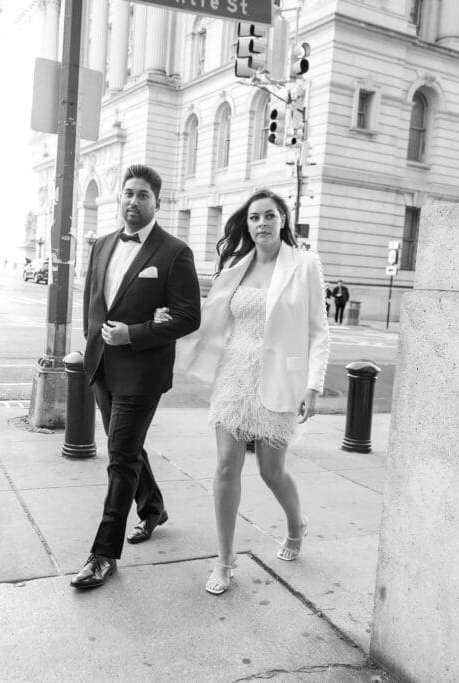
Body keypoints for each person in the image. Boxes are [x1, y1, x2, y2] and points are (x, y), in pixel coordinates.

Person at [162, 188, 330, 596]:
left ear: (283, 220)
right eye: (254, 217)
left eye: (269, 215)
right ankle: (224, 560)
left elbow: (318, 330)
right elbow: (211, 317)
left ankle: (296, 525)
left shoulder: (305, 264)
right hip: (234, 377)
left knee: (271, 471)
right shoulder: (236, 266)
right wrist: (172, 319)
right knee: (225, 466)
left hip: (281, 379)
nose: (261, 223)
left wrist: (313, 385)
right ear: (247, 224)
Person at [69, 164, 202, 590]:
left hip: (142, 372)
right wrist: (91, 343)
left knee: (120, 458)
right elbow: (93, 301)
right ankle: (153, 508)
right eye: (128, 193)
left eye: (143, 195)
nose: (133, 201)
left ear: (156, 203)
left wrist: (135, 334)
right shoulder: (102, 244)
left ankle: (103, 554)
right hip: (101, 367)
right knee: (126, 446)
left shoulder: (174, 252)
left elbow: (188, 316)